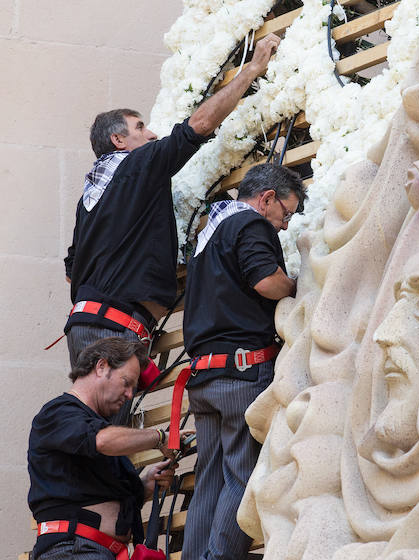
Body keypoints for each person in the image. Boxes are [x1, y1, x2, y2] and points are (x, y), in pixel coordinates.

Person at [62, 34, 282, 368]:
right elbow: (200, 125)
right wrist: (253, 68)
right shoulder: (138, 165)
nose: (150, 134)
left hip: (88, 324)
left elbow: (70, 271)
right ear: (118, 139)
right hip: (113, 329)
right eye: (140, 128)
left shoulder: (89, 198)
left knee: (96, 419)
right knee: (104, 421)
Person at [177, 163, 305, 560]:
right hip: (241, 373)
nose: (284, 225)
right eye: (286, 212)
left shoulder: (210, 232)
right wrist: (297, 286)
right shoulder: (251, 225)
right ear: (266, 198)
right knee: (244, 478)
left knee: (211, 479)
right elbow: (266, 281)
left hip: (204, 376)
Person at [28, 337, 181, 560]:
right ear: (101, 367)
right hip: (74, 550)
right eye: (127, 382)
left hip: (92, 550)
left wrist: (145, 484)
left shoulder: (95, 429)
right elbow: (101, 441)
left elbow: (94, 493)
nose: (130, 394)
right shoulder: (58, 412)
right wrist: (159, 438)